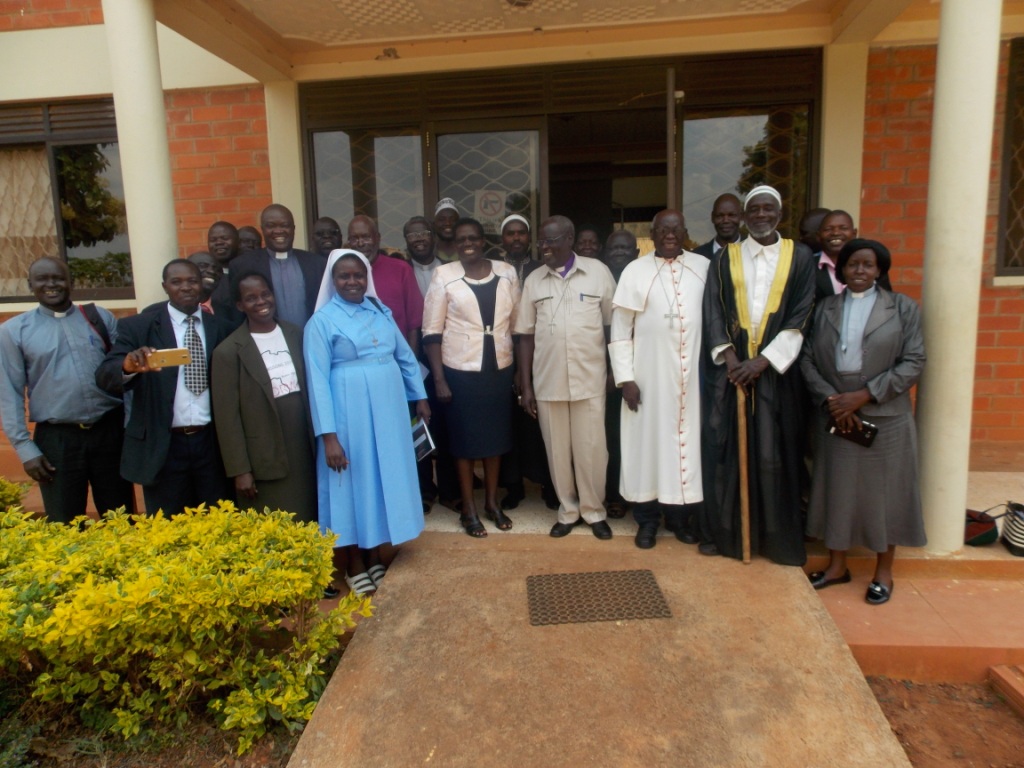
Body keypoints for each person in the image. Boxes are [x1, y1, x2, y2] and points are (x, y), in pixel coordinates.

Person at [801, 239, 926, 605]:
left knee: (886, 496)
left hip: (885, 415)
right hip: (837, 414)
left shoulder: (902, 308)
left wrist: (866, 394)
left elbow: (914, 360)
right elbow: (807, 359)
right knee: (837, 492)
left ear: (880, 270)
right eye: (853, 265)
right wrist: (832, 399)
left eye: (867, 265)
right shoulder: (825, 307)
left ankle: (883, 573)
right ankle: (837, 566)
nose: (859, 271)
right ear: (841, 271)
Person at [305, 249, 430, 596]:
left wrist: (419, 397)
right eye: (344, 276)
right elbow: (316, 382)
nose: (352, 281)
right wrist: (328, 436)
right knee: (351, 483)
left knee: (378, 480)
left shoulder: (380, 311)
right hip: (348, 417)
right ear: (333, 280)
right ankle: (353, 563)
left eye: (358, 275)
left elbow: (405, 357)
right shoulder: (322, 322)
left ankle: (374, 554)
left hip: (388, 414)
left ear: (367, 278)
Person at [702, 185, 816, 565]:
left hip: (776, 375)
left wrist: (762, 362)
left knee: (774, 456)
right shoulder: (726, 258)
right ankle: (733, 538)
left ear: (779, 215)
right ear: (746, 216)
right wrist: (732, 358)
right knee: (731, 455)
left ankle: (777, 541)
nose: (761, 215)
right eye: (755, 210)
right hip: (733, 374)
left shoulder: (799, 256)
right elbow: (713, 309)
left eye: (768, 209)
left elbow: (802, 314)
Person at [0, 257, 134, 523]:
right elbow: (9, 393)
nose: (51, 285)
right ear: (30, 285)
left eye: (58, 278)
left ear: (71, 282)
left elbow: (124, 376)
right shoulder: (13, 332)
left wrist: (130, 427)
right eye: (42, 279)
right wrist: (26, 450)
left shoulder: (99, 318)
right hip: (57, 439)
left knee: (121, 520)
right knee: (64, 524)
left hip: (109, 431)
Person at [96, 259, 232, 517]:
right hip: (164, 446)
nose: (186, 287)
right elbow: (104, 376)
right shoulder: (139, 327)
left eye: (192, 281)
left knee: (217, 524)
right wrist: (128, 366)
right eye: (176, 282)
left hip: (211, 445)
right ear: (165, 287)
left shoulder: (222, 327)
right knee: (167, 526)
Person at [610, 210, 709, 549]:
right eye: (662, 229)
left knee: (684, 448)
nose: (669, 234)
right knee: (647, 449)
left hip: (690, 381)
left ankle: (680, 520)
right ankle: (648, 521)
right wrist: (626, 379)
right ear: (651, 234)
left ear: (685, 232)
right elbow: (620, 330)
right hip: (647, 378)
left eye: (675, 229)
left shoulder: (702, 267)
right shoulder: (635, 272)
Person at [517, 216, 616, 540]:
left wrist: (616, 370)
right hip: (549, 382)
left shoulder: (598, 273)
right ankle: (568, 511)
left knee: (592, 452)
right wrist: (526, 386)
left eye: (551, 240)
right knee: (557, 453)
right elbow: (525, 336)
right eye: (542, 241)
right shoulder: (534, 280)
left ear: (570, 239)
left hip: (590, 379)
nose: (544, 247)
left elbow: (612, 327)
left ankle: (594, 510)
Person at [422, 218, 521, 538]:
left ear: (483, 241)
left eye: (474, 238)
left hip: (499, 369)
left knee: (495, 442)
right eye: (462, 239)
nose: (468, 243)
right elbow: (431, 333)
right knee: (464, 445)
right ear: (454, 244)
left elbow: (517, 325)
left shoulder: (506, 272)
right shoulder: (443, 276)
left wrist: (520, 370)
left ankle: (492, 503)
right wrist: (439, 379)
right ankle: (469, 509)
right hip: (459, 372)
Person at [211, 272, 317, 523]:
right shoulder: (228, 352)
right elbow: (228, 419)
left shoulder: (296, 334)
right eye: (251, 298)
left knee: (312, 518)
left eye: (265, 294)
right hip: (263, 456)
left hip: (304, 446)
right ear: (240, 305)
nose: (261, 301)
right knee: (276, 527)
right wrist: (240, 470)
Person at [495, 213, 556, 511]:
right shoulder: (494, 271)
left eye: (521, 233)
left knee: (541, 423)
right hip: (502, 358)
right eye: (510, 233)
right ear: (502, 238)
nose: (516, 238)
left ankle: (548, 484)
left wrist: (526, 369)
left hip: (540, 355)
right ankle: (513, 486)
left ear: (529, 238)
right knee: (508, 423)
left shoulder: (541, 269)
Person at [230, 204, 327, 328]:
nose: (278, 231)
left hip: (312, 342)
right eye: (271, 226)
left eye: (284, 225)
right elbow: (237, 316)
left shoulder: (317, 264)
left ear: (293, 228)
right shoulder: (242, 265)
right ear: (262, 229)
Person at [600, 229, 640, 518]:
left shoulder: (645, 277)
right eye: (614, 248)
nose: (619, 253)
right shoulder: (600, 280)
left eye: (626, 249)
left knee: (639, 439)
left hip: (641, 373)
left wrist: (625, 371)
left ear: (636, 253)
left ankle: (640, 496)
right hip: (604, 375)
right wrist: (610, 371)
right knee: (612, 438)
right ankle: (614, 495)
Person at [347, 215, 423, 353]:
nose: (360, 243)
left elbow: (414, 325)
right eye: (354, 238)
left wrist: (411, 365)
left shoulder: (401, 270)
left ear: (378, 238)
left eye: (366, 237)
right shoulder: (343, 277)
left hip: (396, 360)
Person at [206, 222, 244, 325]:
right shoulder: (203, 277)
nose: (219, 242)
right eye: (213, 240)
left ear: (238, 242)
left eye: (225, 238)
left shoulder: (246, 273)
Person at [693, 193, 742, 259]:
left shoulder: (754, 251)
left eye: (731, 215)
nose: (726, 220)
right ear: (712, 217)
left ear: (741, 216)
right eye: (720, 216)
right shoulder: (697, 256)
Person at [403, 216, 443, 297]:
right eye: (412, 235)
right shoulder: (401, 272)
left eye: (424, 234)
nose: (419, 239)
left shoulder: (450, 268)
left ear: (434, 238)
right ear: (406, 241)